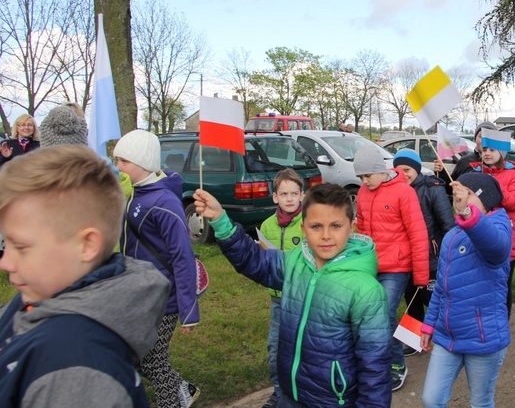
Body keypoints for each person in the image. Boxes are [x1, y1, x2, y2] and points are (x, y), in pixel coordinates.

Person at [193, 183, 392, 407]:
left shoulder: (366, 290)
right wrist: (220, 219)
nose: (326, 235)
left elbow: (375, 367)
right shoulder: (295, 262)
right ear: (303, 229)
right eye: (316, 226)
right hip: (290, 396)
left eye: (336, 226)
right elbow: (254, 260)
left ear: (352, 227)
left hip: (332, 402)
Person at [0, 145, 170, 406]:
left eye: (20, 247)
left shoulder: (77, 374)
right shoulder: (31, 299)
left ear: (87, 245)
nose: (5, 262)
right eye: (5, 245)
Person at [114, 129, 201, 407]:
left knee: (153, 360)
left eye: (123, 162)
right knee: (136, 358)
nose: (118, 168)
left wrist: (188, 310)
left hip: (164, 298)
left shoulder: (164, 202)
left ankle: (173, 402)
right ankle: (183, 388)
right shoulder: (133, 194)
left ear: (142, 163)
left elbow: (182, 257)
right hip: (139, 293)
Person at [420, 173, 512, 408]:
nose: (460, 197)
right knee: (431, 399)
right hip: (447, 336)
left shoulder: (499, 226)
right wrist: (430, 324)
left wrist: (468, 214)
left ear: (486, 200)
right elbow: (441, 287)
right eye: (459, 193)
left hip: (482, 338)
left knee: (480, 402)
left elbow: (497, 248)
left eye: (468, 194)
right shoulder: (451, 236)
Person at [353, 145, 429, 391]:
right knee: (367, 315)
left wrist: (421, 275)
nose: (365, 182)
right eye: (360, 178)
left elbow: (417, 233)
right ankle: (374, 360)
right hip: (371, 265)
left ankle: (396, 364)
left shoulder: (404, 193)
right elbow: (362, 229)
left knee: (384, 314)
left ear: (380, 170)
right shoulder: (364, 193)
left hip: (397, 267)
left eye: (368, 176)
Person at [392, 149, 455, 356]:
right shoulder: (395, 190)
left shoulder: (432, 188)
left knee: (432, 298)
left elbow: (448, 225)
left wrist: (446, 255)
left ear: (417, 169)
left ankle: (448, 333)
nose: (404, 174)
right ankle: (414, 339)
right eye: (399, 170)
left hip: (431, 256)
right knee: (411, 298)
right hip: (405, 257)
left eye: (408, 169)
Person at [258, 168, 306, 408]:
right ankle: (278, 392)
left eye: (294, 193)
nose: (289, 198)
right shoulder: (267, 225)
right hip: (278, 301)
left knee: (304, 349)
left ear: (302, 196)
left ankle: (305, 391)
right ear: (275, 197)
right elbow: (263, 262)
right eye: (284, 193)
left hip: (304, 300)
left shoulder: (308, 223)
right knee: (275, 348)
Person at [466, 133, 515, 316]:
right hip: (479, 235)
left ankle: (501, 323)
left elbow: (514, 202)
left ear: (501, 152)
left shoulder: (513, 174)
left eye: (492, 150)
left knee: (502, 286)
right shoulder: (474, 173)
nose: (487, 153)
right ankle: (484, 321)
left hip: (505, 237)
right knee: (481, 283)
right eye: (484, 150)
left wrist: (496, 186)